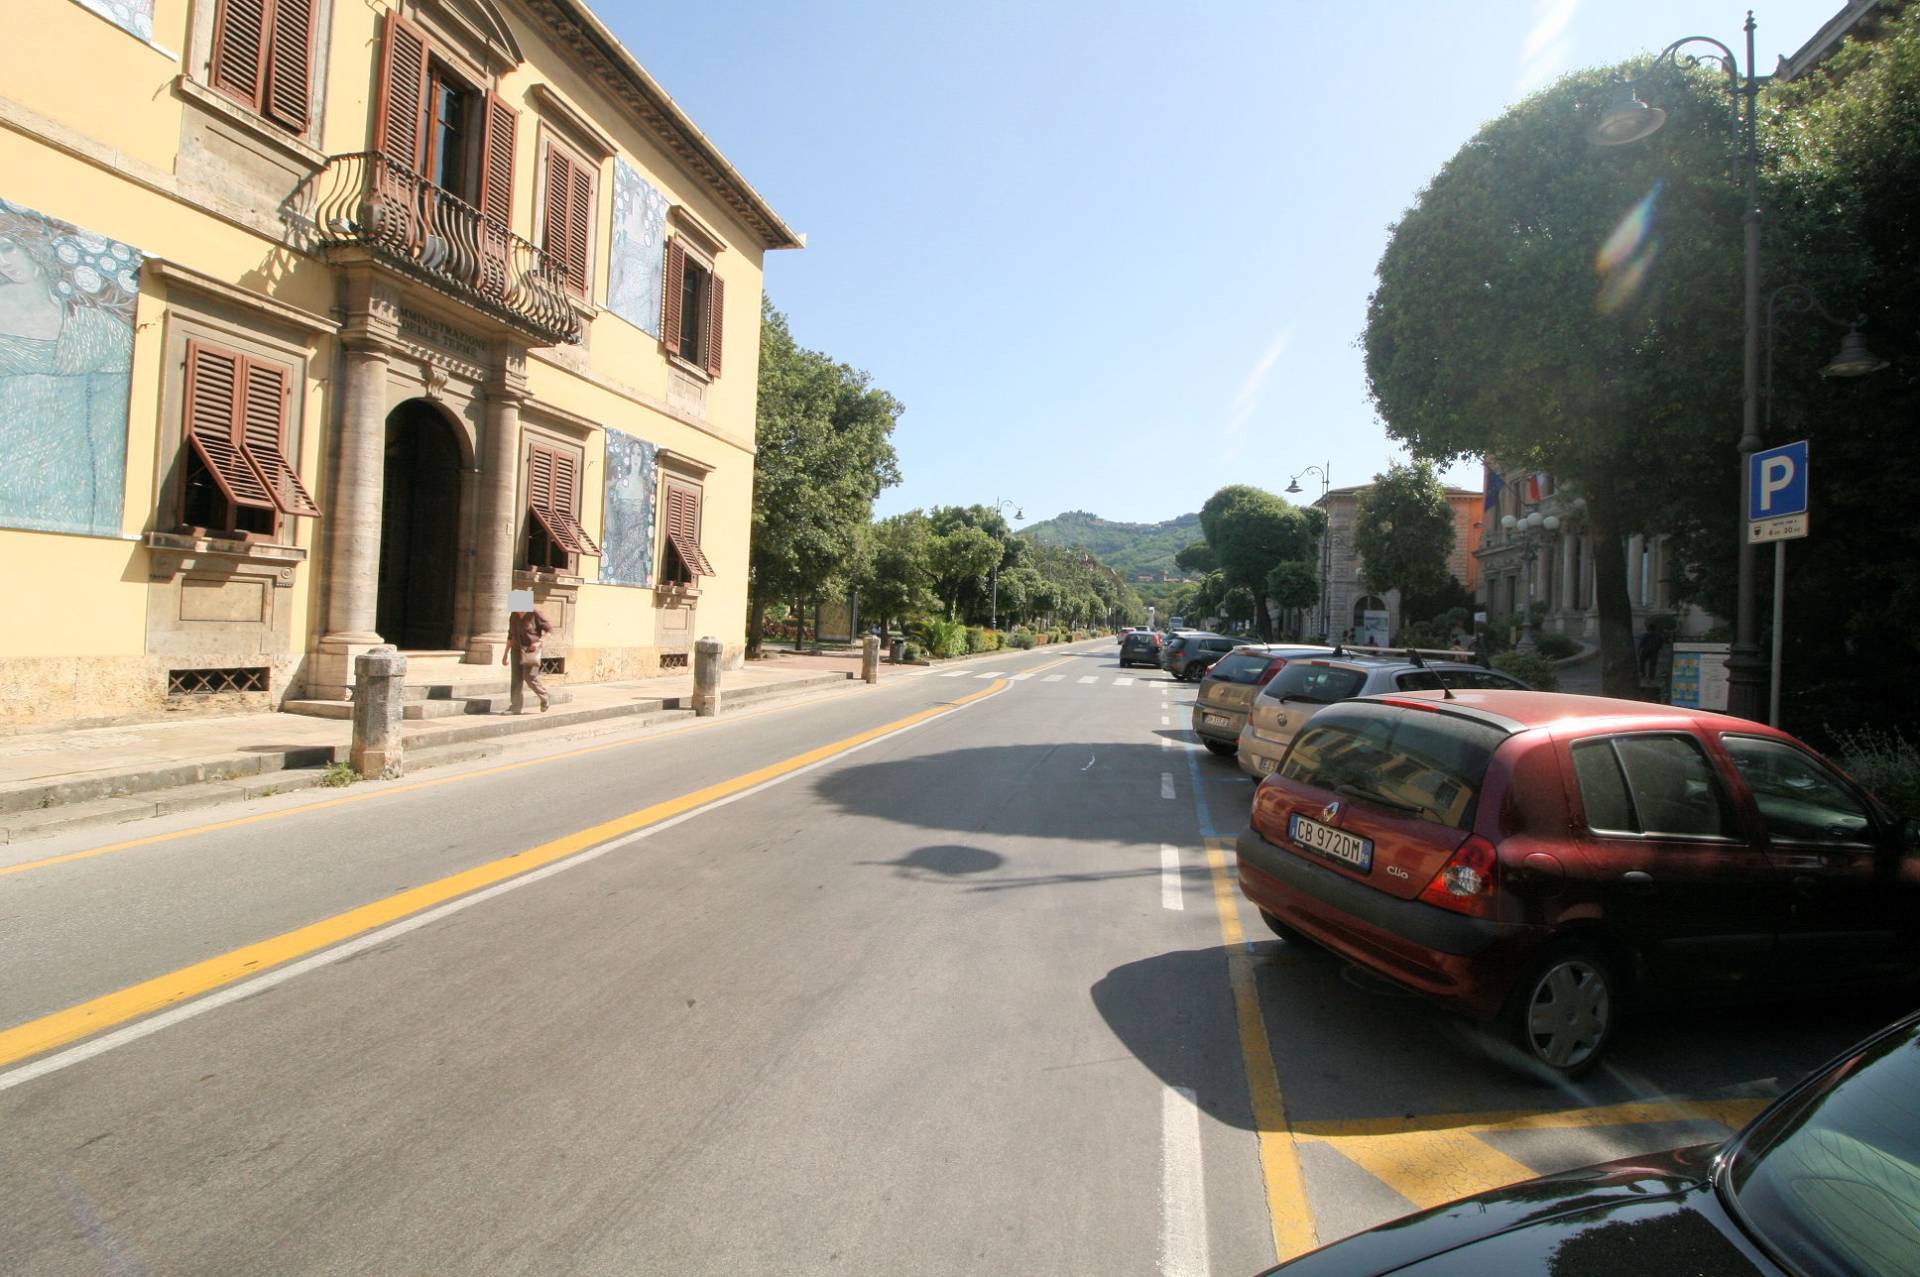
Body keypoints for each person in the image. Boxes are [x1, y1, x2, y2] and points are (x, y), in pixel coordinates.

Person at [504, 608, 554, 713]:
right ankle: (515, 707)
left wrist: (539, 642)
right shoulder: (513, 615)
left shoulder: (535, 613)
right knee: (516, 679)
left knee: (529, 677)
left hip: (531, 651)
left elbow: (549, 630)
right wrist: (505, 654)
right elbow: (510, 636)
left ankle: (544, 696)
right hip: (516, 650)